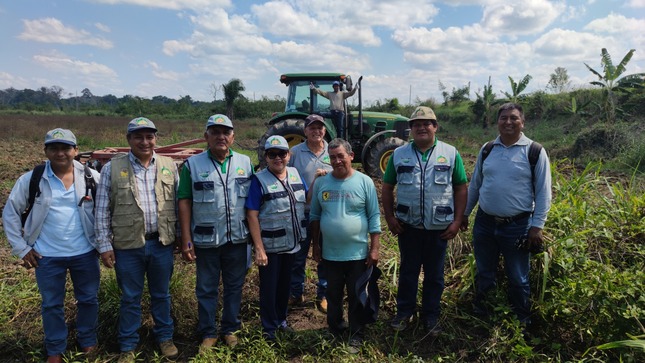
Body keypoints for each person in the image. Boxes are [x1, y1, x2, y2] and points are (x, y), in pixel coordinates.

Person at [2, 129, 101, 363]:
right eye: (54, 148)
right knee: (51, 304)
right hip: (46, 256)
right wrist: (22, 249)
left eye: (66, 148)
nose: (60, 153)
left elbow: (106, 212)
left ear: (75, 151)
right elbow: (11, 214)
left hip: (85, 253)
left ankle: (87, 340)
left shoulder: (91, 177)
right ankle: (55, 347)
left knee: (88, 299)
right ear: (46, 151)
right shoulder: (32, 179)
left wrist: (104, 244)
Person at [94, 117, 179, 362]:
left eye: (149, 136)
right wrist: (104, 245)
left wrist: (181, 237)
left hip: (161, 243)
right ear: (128, 139)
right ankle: (128, 345)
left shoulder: (168, 165)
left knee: (161, 294)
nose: (145, 141)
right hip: (127, 246)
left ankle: (165, 337)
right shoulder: (112, 168)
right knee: (130, 297)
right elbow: (101, 210)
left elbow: (179, 203)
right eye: (138, 137)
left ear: (155, 139)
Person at [382, 106, 468, 335]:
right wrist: (390, 218)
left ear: (435, 127)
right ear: (410, 129)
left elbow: (461, 187)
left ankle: (431, 316)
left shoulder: (450, 153)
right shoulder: (399, 155)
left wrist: (457, 221)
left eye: (426, 123)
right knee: (408, 272)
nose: (421, 127)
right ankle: (404, 313)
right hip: (408, 227)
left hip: (438, 228)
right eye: (416, 123)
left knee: (435, 276)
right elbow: (388, 187)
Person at [463, 102, 552, 325]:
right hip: (484, 222)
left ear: (523, 122)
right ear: (498, 122)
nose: (508, 122)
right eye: (504, 118)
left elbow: (543, 192)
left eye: (514, 118)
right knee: (485, 272)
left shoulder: (534, 151)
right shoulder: (488, 149)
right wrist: (464, 214)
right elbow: (475, 185)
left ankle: (521, 320)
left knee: (518, 277)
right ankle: (484, 313)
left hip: (518, 226)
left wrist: (536, 226)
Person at [178, 114, 253, 350]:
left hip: (237, 239)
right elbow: (184, 201)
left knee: (234, 286)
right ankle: (208, 332)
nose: (221, 136)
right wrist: (186, 238)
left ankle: (230, 329)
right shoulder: (192, 165)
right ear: (206, 137)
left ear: (232, 137)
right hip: (206, 239)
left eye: (225, 132)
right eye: (215, 132)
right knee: (206, 288)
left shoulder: (245, 162)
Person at [310, 138, 381, 352]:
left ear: (350, 156)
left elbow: (374, 216)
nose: (337, 161)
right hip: (330, 253)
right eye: (332, 157)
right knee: (333, 293)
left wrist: (375, 248)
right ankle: (336, 326)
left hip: (358, 253)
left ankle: (356, 333)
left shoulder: (364, 182)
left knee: (356, 294)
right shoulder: (322, 183)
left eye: (341, 156)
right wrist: (316, 246)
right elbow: (314, 215)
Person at [246, 135, 308, 341]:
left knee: (284, 286)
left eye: (281, 153)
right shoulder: (259, 180)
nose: (277, 158)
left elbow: (307, 197)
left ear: (288, 155)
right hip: (270, 246)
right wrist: (259, 248)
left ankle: (281, 320)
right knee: (269, 288)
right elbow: (252, 215)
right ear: (266, 157)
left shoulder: (295, 174)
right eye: (272, 154)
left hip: (292, 243)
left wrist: (321, 180)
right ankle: (269, 328)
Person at [288, 114, 333, 313]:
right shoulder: (295, 152)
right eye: (312, 128)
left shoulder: (333, 150)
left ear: (325, 130)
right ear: (305, 131)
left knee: (325, 254)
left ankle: (323, 294)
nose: (316, 131)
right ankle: (296, 292)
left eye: (320, 127)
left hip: (328, 213)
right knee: (299, 255)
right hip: (302, 213)